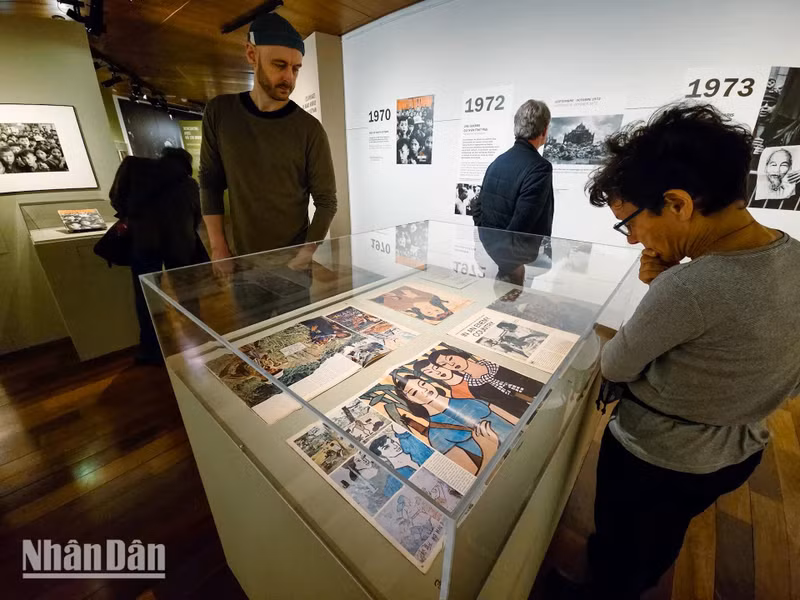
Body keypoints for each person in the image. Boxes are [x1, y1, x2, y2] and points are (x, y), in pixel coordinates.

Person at [547, 103, 800, 600]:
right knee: (660, 541)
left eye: (630, 223)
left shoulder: (689, 287)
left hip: (658, 457)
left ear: (678, 203)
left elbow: (616, 362)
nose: (634, 238)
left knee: (620, 547)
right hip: (738, 449)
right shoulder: (792, 253)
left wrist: (662, 286)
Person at [199, 12, 337, 274]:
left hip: (293, 264)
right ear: (252, 55)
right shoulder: (220, 113)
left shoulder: (309, 129)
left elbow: (326, 201)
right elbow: (209, 181)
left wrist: (304, 256)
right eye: (279, 65)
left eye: (295, 68)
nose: (289, 78)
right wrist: (218, 247)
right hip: (243, 261)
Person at [110, 148, 209, 365]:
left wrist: (136, 217)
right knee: (187, 292)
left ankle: (151, 348)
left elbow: (116, 199)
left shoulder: (133, 168)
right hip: (181, 243)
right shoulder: (187, 183)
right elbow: (196, 214)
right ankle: (199, 336)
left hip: (144, 241)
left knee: (146, 296)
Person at [389, 371, 508, 475]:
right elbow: (476, 476)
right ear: (411, 401)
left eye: (422, 384)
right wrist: (489, 449)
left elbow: (510, 420)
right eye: (414, 393)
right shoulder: (436, 435)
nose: (423, 390)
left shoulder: (469, 400)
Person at [472, 99, 554, 237]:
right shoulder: (540, 168)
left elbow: (478, 209)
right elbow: (522, 226)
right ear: (544, 130)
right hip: (522, 256)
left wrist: (489, 243)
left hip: (491, 252)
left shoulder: (497, 162)